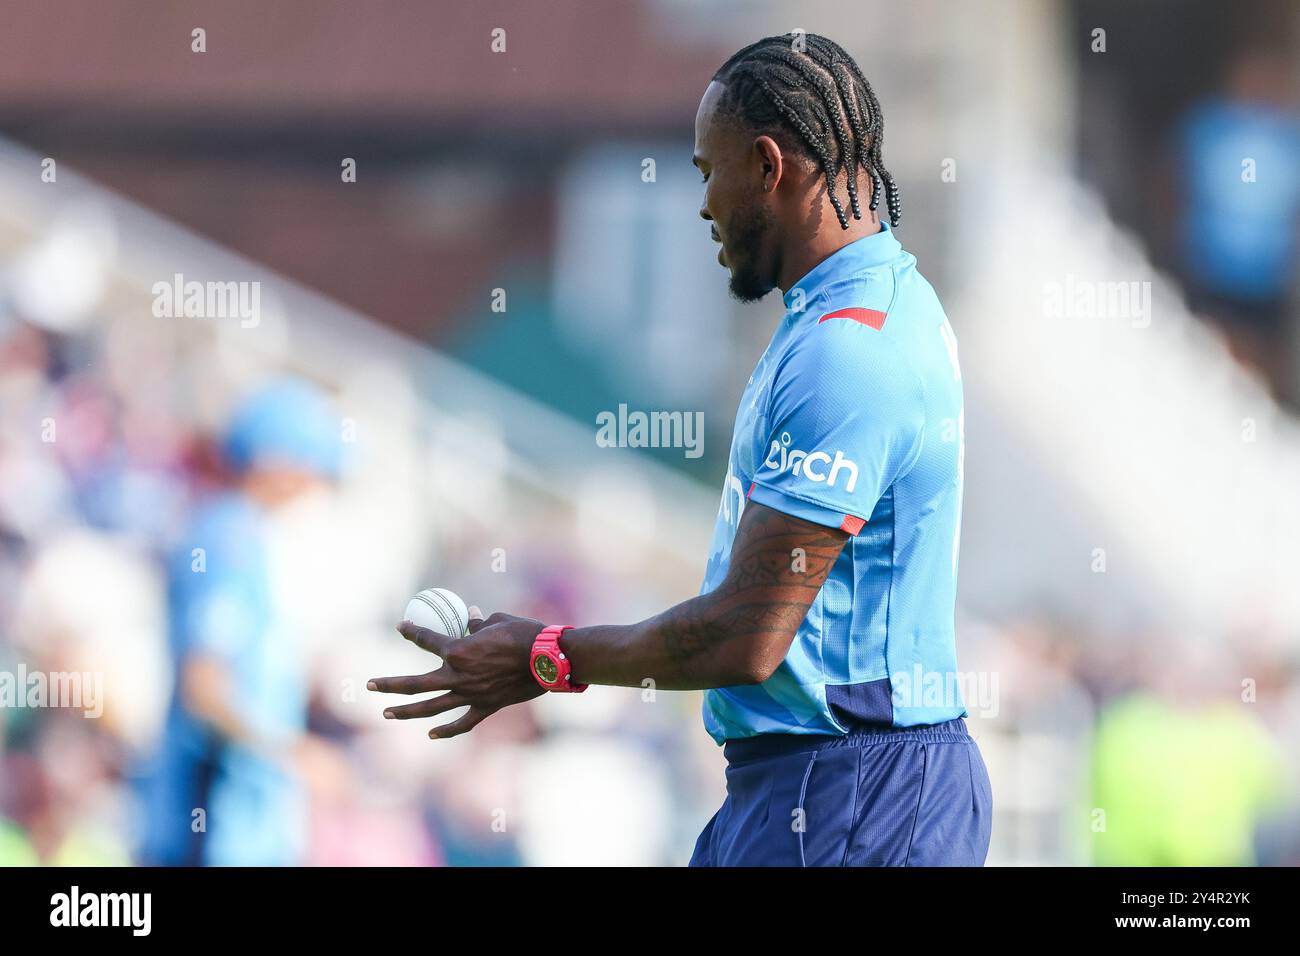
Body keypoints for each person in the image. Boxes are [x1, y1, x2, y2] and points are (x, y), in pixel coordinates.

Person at [370, 33, 992, 867]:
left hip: (849, 792)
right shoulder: (868, 306)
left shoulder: (851, 350)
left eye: (708, 170)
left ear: (769, 167)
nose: (702, 205)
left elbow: (747, 634)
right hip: (818, 783)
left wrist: (546, 656)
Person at [139, 378, 342, 865]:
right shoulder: (225, 539)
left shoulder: (246, 539)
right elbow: (205, 689)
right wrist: (292, 754)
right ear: (275, 461)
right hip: (208, 829)